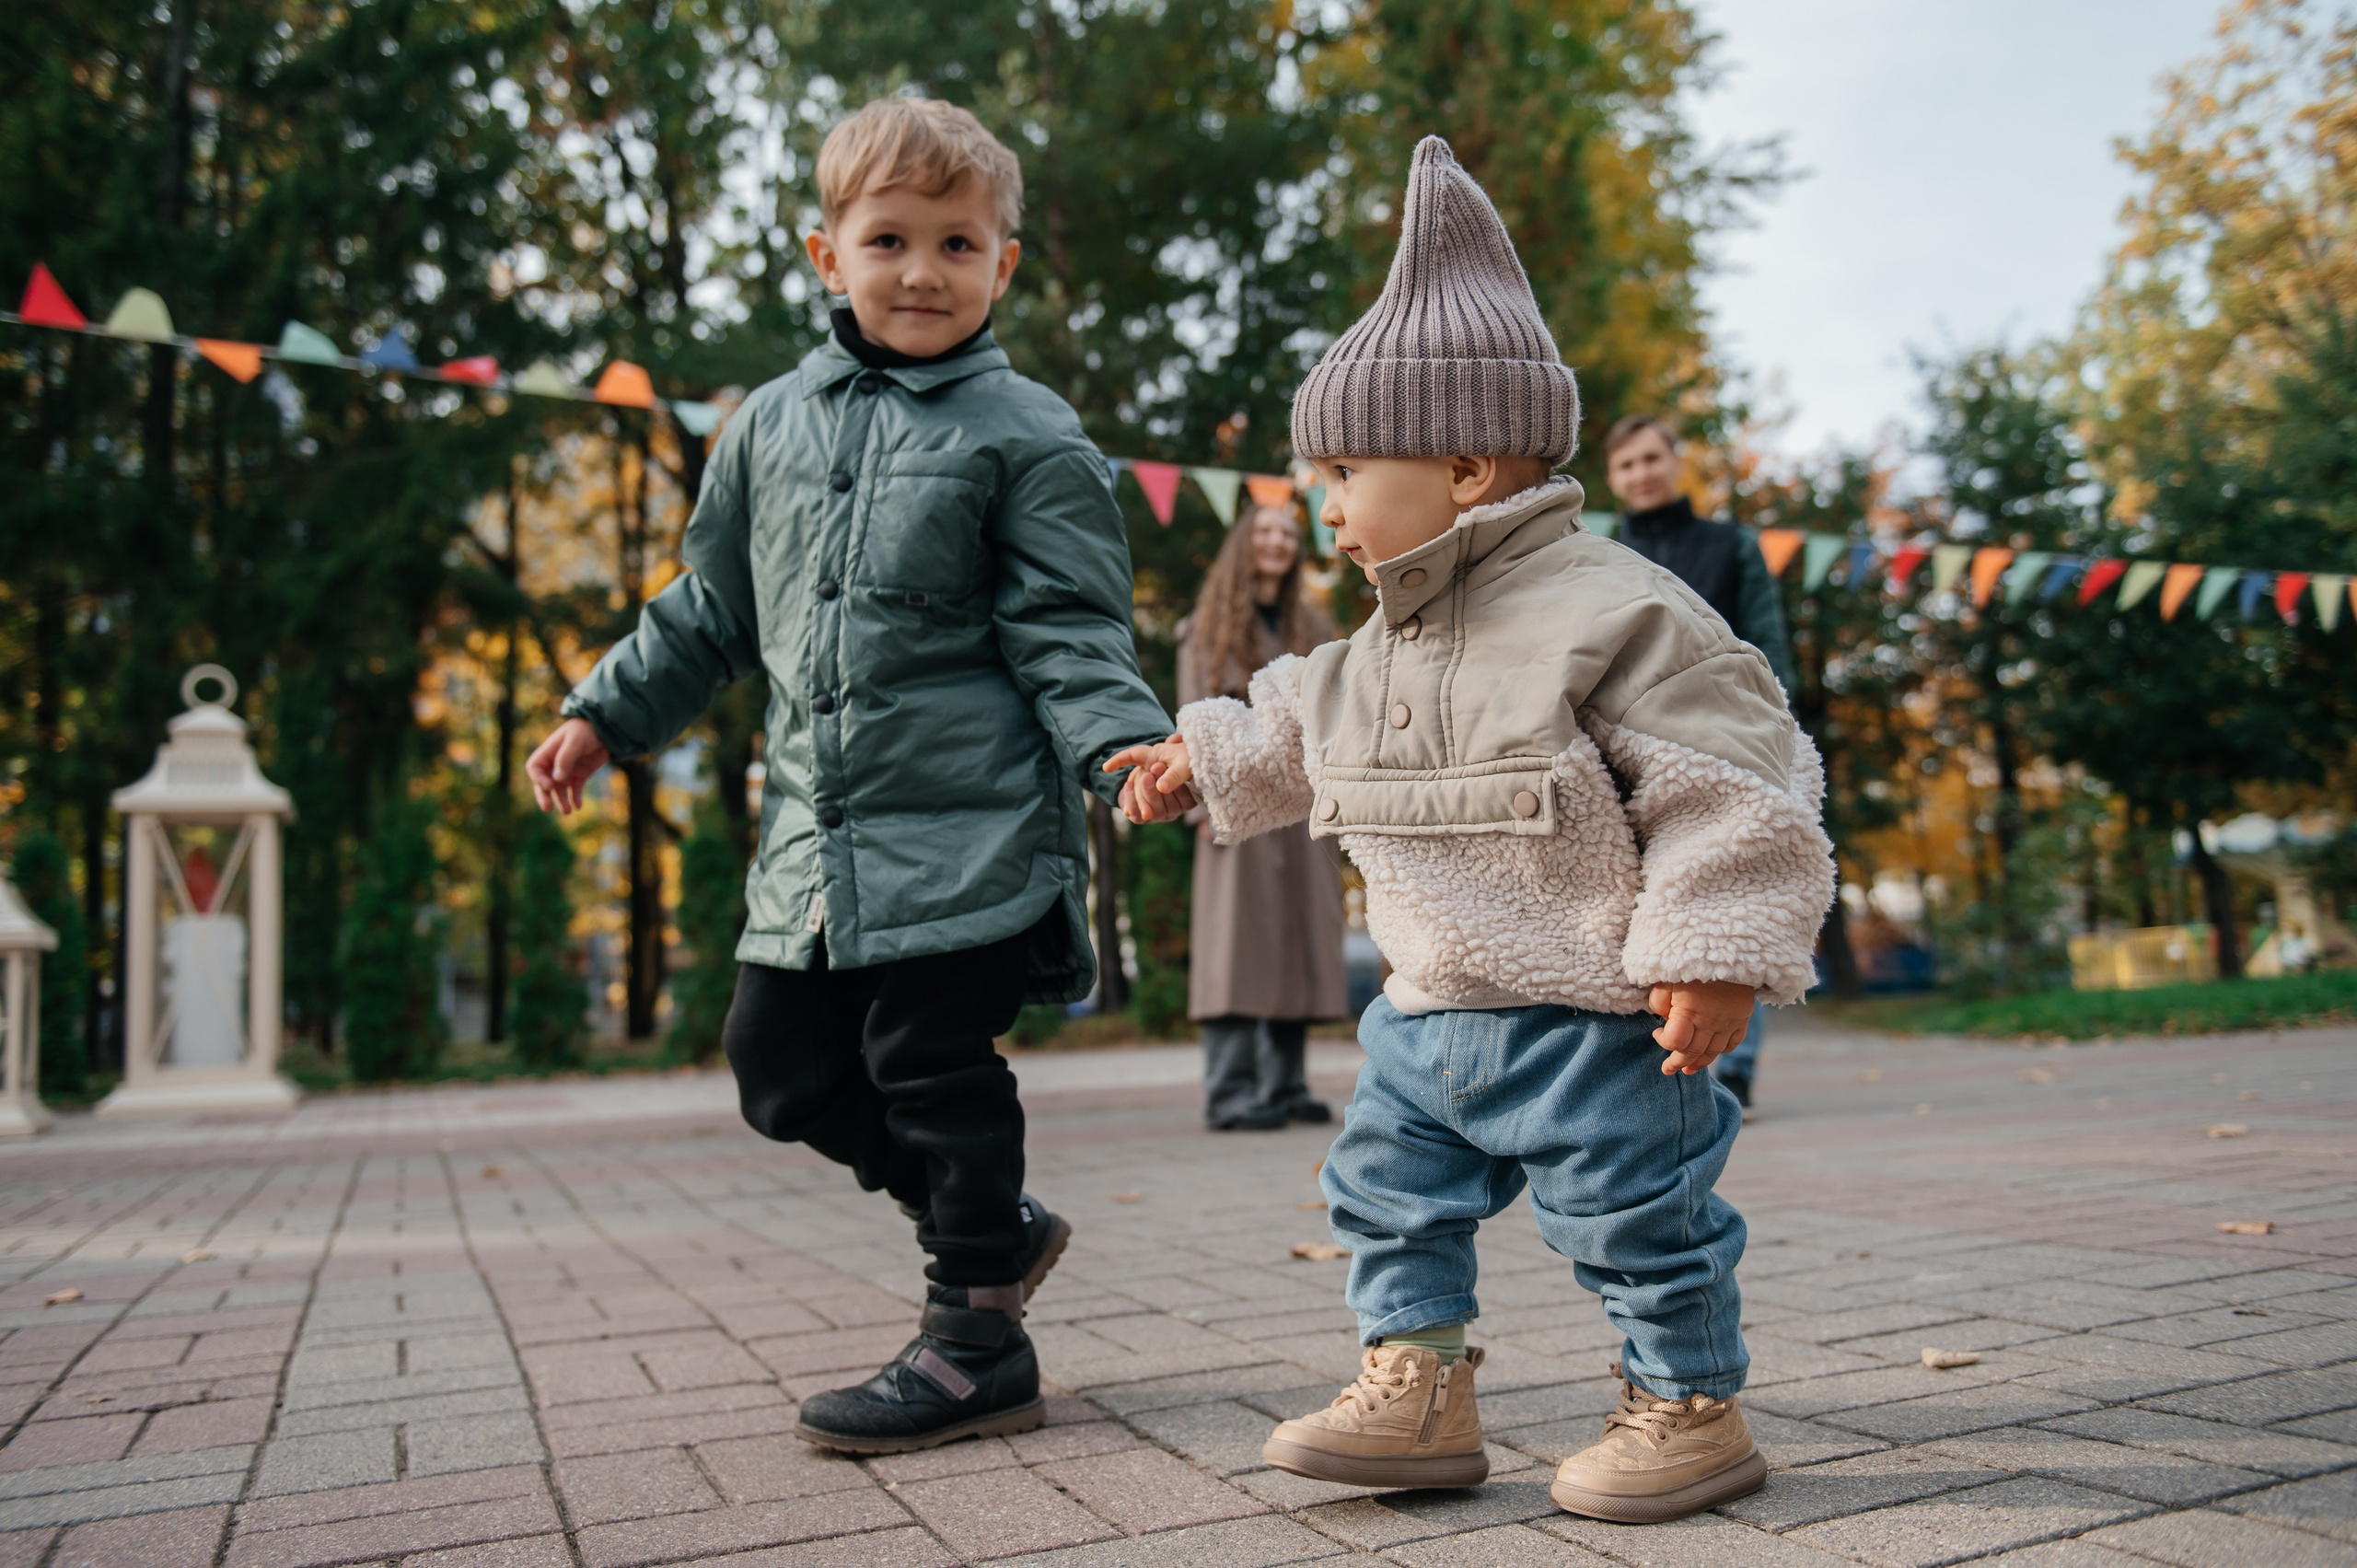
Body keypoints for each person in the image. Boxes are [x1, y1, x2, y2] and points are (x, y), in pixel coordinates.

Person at [1110, 138, 1832, 1523]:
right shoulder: (1372, 644)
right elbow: (1294, 716)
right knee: (1380, 1198)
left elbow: (1738, 778)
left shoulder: (1618, 608)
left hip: (1593, 1014)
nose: (1320, 499)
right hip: (1426, 1014)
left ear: (1459, 460)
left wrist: (1714, 945)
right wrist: (1197, 756)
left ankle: (1689, 1397)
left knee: (1640, 1221)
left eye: (1340, 466)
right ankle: (1419, 1385)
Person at [525, 97, 1177, 1457]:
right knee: (778, 1064)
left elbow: (1069, 631)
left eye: (959, 242)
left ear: (1003, 265)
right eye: (891, 239)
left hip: (979, 822)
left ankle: (976, 1335)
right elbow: (709, 608)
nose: (924, 269)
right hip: (821, 834)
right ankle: (989, 1225)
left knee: (928, 1057)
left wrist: (1120, 749)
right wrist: (605, 713)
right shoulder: (768, 426)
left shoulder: (1030, 434)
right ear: (829, 256)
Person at [1603, 414, 1799, 1109]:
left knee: (1734, 898)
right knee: (1651, 900)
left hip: (1727, 741)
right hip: (1630, 750)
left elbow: (1768, 642)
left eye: (1651, 458)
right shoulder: (1599, 552)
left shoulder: (1731, 545)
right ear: (1612, 476)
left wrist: (1776, 734)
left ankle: (1736, 1064)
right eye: (1626, 465)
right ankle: (1660, 1054)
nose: (1641, 474)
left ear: (1676, 461)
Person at [1178, 503, 1348, 1131]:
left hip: (1300, 808)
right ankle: (1230, 1090)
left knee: (1295, 943)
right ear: (1245, 544)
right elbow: (1192, 716)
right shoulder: (1206, 627)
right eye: (1266, 531)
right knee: (1235, 946)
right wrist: (1199, 798)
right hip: (1233, 804)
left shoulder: (1313, 624)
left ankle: (1285, 1084)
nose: (1277, 541)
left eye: (1288, 533)